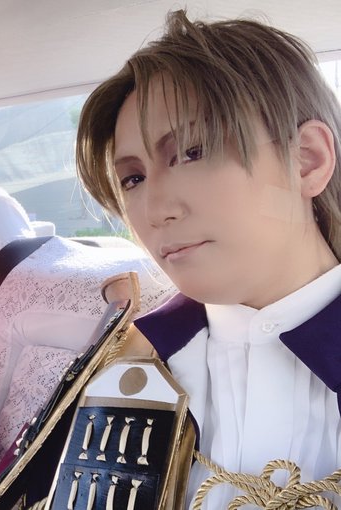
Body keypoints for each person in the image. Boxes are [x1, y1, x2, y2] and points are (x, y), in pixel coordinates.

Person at [76, 9, 341, 508]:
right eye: (133, 179)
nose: (155, 210)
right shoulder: (127, 368)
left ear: (307, 159)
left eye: (193, 152)